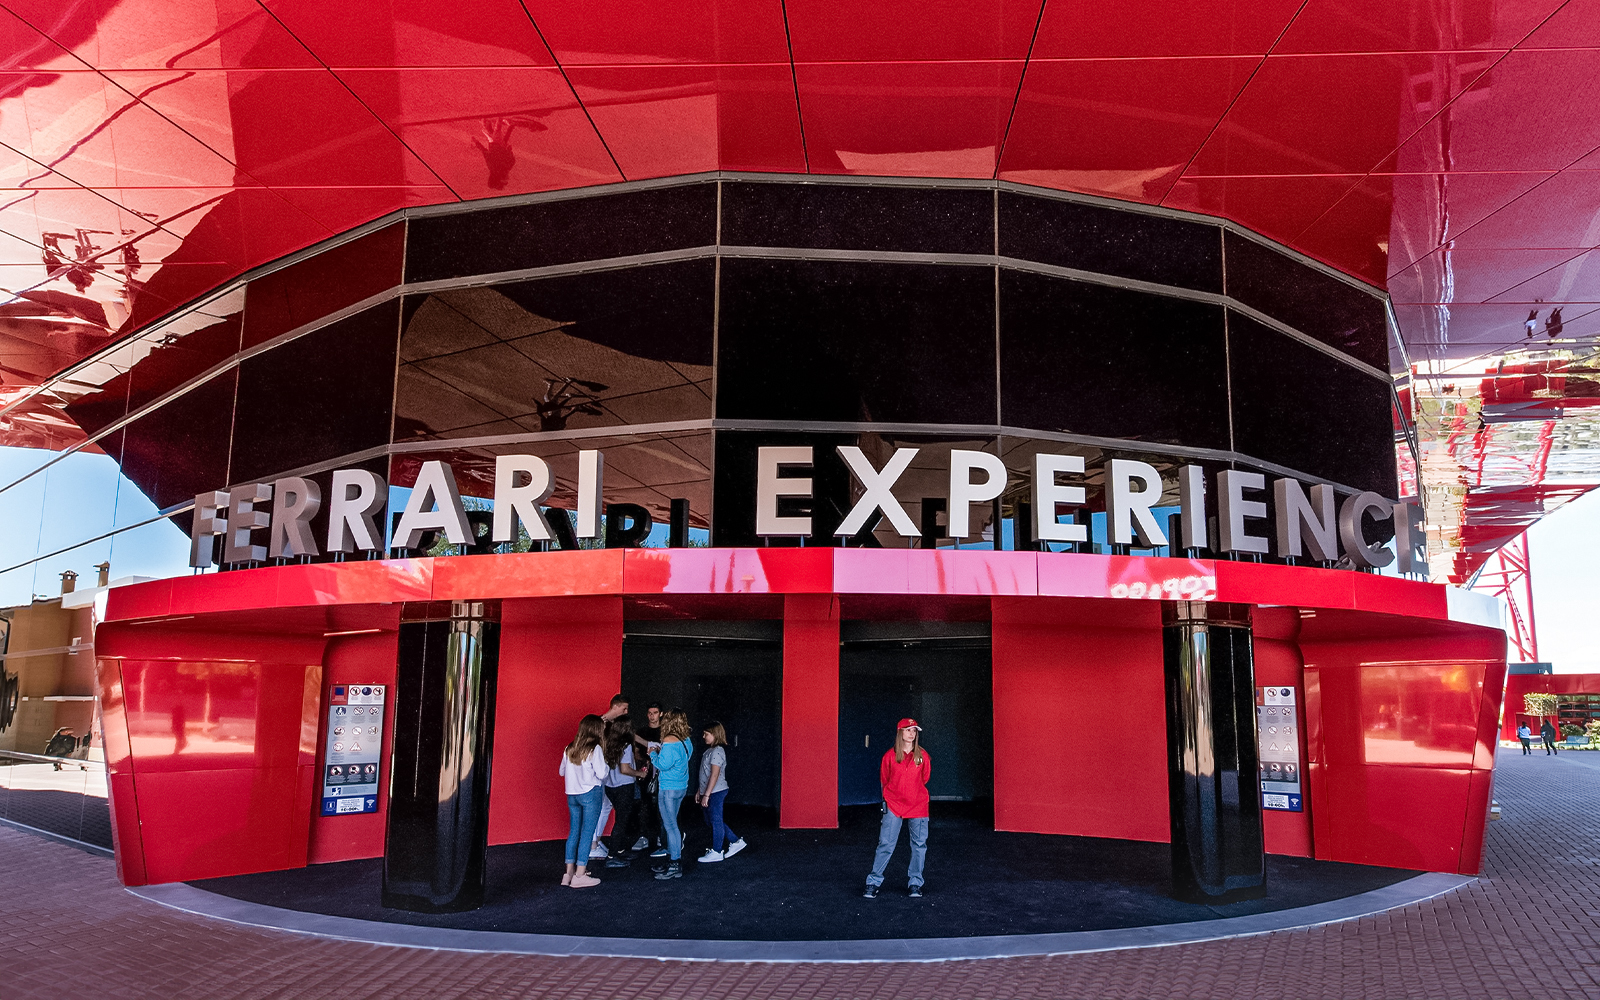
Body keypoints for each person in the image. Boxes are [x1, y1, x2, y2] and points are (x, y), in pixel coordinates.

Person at [863, 718, 931, 899]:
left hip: (918, 805)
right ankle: (873, 881)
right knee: (886, 843)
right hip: (893, 805)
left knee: (919, 845)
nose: (912, 733)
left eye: (914, 731)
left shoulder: (922, 756)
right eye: (908, 730)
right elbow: (884, 780)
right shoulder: (889, 756)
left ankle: (915, 883)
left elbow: (924, 779)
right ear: (900, 732)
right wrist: (889, 799)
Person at [559, 714, 609, 888]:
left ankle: (568, 873)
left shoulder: (569, 748)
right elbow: (602, 774)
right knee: (587, 833)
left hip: (571, 794)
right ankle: (580, 875)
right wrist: (607, 765)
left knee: (574, 832)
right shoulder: (595, 749)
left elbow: (561, 771)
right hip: (590, 793)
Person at [648, 707, 692, 880]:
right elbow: (682, 758)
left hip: (668, 788)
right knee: (673, 826)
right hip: (682, 787)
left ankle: (675, 864)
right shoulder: (686, 740)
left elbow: (663, 765)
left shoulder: (668, 740)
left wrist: (653, 754)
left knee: (671, 827)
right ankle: (673, 861)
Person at [600, 714, 649, 867]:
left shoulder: (608, 742)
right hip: (624, 786)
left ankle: (619, 850)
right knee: (621, 821)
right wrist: (640, 773)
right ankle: (612, 856)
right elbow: (625, 769)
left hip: (610, 786)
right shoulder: (626, 744)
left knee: (620, 820)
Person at [695, 721, 747, 863]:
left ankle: (717, 851)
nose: (703, 736)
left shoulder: (718, 751)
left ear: (715, 734)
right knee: (710, 819)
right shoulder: (709, 750)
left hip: (716, 791)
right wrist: (700, 790)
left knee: (715, 819)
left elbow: (714, 774)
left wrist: (706, 794)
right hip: (711, 791)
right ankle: (735, 841)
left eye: (707, 734)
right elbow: (705, 774)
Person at [587, 694, 631, 861]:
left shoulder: (613, 725)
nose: (626, 712)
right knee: (597, 808)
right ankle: (592, 845)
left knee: (605, 807)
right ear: (615, 707)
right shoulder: (599, 724)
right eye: (624, 708)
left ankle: (596, 842)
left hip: (605, 773)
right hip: (597, 773)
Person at [634, 703, 665, 856]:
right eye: (650, 712)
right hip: (646, 772)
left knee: (662, 805)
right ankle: (643, 836)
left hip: (663, 772)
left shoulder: (665, 732)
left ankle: (661, 836)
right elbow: (636, 753)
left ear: (661, 714)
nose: (652, 715)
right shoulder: (642, 731)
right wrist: (643, 763)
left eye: (655, 712)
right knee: (645, 804)